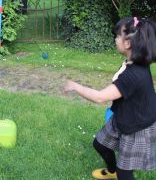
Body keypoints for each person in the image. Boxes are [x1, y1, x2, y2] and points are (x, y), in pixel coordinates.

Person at [64, 17, 156, 180]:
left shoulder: (133, 75)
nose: (115, 38)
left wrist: (75, 86)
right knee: (99, 144)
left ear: (127, 43)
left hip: (137, 127)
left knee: (125, 172)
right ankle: (112, 171)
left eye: (118, 36)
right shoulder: (133, 62)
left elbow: (100, 97)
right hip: (124, 116)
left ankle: (118, 172)